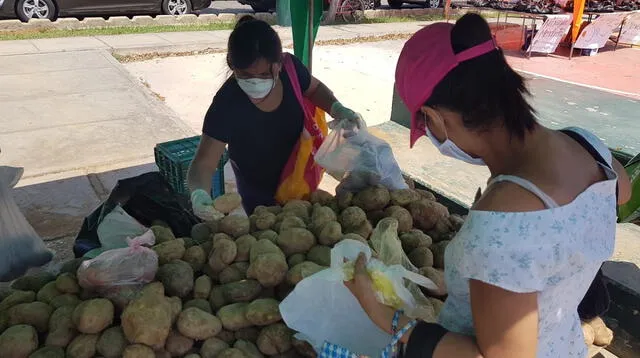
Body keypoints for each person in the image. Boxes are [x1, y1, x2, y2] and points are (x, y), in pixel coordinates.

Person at [345, 13, 632, 358]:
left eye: (426, 127)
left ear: (435, 117)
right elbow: (618, 195)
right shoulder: (589, 147)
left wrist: (385, 316)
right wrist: (470, 284)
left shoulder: (501, 221)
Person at [187, 15, 358, 219]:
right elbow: (204, 163)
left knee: (306, 226)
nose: (254, 82)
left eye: (262, 75)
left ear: (278, 64)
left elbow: (314, 89)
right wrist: (199, 194)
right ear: (232, 65)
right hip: (257, 193)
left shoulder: (291, 70)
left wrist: (337, 108)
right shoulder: (227, 103)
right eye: (245, 75)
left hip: (300, 175)